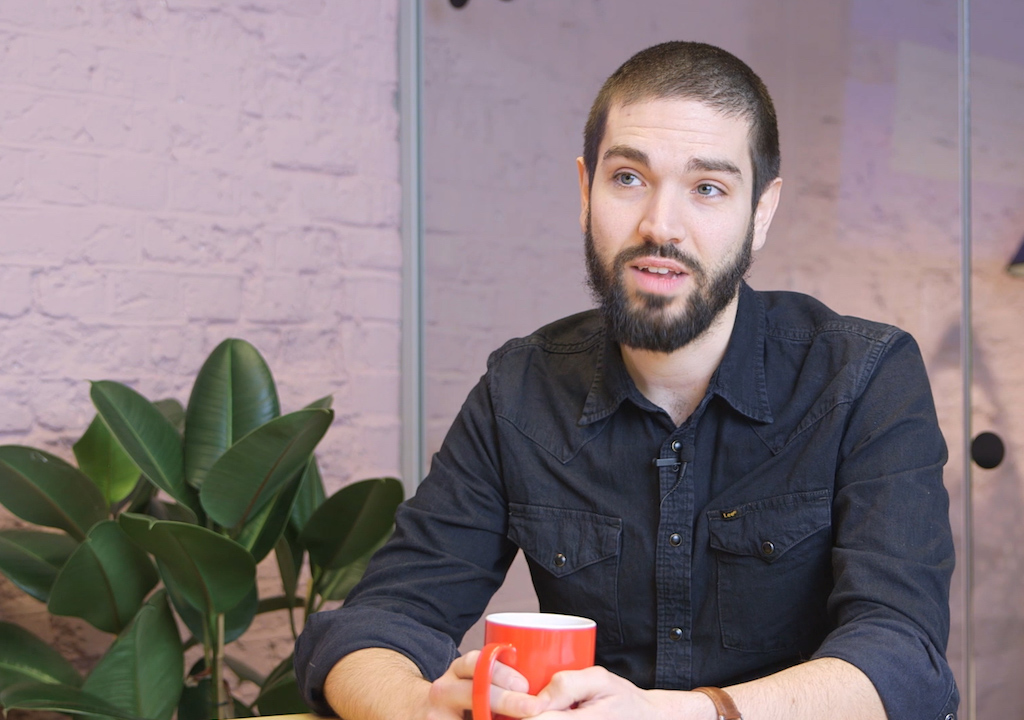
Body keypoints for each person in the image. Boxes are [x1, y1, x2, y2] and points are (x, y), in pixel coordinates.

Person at [295, 40, 958, 719]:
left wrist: (690, 714)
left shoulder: (863, 378)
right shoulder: (519, 390)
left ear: (760, 212)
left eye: (707, 188)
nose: (659, 226)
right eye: (628, 179)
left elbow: (904, 657)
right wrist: (416, 707)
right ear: (586, 190)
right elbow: (375, 624)